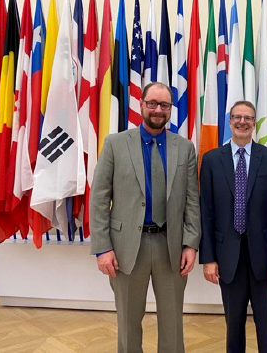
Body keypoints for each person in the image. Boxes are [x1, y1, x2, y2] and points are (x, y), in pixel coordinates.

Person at [90, 82, 201, 353]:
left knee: (173, 324)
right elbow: (99, 198)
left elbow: (191, 200)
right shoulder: (115, 144)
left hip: (170, 246)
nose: (158, 110)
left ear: (171, 110)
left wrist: (190, 243)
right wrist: (103, 248)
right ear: (141, 105)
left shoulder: (184, 147)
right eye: (152, 103)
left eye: (164, 105)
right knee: (128, 322)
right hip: (127, 247)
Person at [199, 101, 267, 353]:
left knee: (266, 327)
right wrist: (208, 259)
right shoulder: (211, 160)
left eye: (248, 118)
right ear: (229, 122)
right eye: (237, 117)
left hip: (265, 259)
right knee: (234, 327)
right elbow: (206, 212)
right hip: (228, 258)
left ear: (254, 124)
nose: (242, 122)